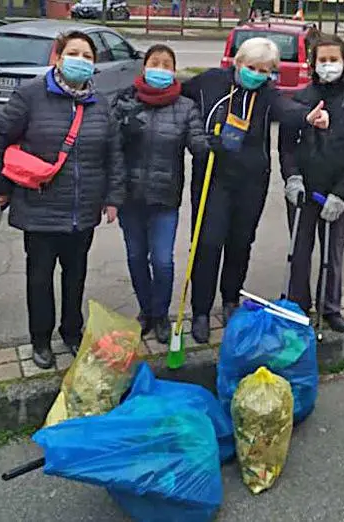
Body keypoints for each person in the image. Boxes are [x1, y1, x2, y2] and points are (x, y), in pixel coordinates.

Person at [0, 31, 125, 368]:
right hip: (40, 208)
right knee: (40, 278)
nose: (81, 60)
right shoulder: (31, 95)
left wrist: (112, 198)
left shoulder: (100, 103)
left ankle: (71, 332)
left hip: (83, 210)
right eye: (74, 53)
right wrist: (0, 184)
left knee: (75, 275)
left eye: (88, 56)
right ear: (58, 58)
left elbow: (114, 154)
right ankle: (41, 340)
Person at [182, 37, 329, 343]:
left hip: (251, 181)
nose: (256, 75)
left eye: (264, 70)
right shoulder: (211, 81)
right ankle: (200, 311)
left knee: (240, 243)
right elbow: (178, 96)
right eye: (251, 68)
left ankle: (231, 299)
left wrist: (308, 116)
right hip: (213, 178)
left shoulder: (266, 94)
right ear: (237, 62)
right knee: (208, 244)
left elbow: (287, 108)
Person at [279, 34, 344, 332]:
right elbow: (287, 145)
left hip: (338, 193)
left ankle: (329, 306)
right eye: (323, 60)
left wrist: (343, 193)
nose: (328, 65)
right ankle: (298, 305)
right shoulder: (300, 99)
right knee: (300, 251)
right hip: (304, 192)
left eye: (334, 59)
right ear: (313, 63)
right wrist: (292, 176)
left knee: (332, 253)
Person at [112, 44, 207, 343]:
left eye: (167, 64)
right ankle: (146, 311)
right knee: (136, 256)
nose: (161, 69)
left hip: (165, 198)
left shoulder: (185, 107)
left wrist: (211, 142)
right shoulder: (126, 101)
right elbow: (110, 145)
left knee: (163, 261)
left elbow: (198, 143)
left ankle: (161, 314)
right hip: (130, 197)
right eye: (156, 63)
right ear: (144, 67)